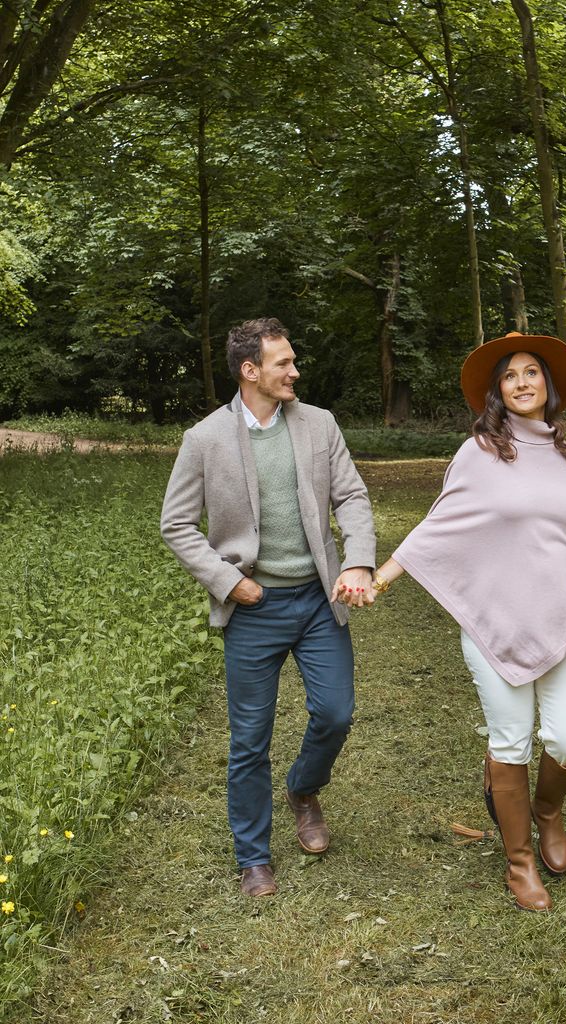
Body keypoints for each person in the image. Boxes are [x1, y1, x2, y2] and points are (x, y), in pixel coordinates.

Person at [370, 332, 566, 912]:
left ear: (548, 385)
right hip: (497, 621)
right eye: (509, 376)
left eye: (531, 372)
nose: (521, 382)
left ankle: (547, 810)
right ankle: (520, 862)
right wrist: (382, 576)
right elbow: (438, 525)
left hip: (561, 617)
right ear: (498, 392)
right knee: (510, 741)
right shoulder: (480, 451)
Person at [161, 317, 376, 898]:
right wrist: (227, 582)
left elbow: (351, 495)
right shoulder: (204, 439)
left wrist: (358, 560)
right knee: (249, 739)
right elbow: (176, 524)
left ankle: (304, 789)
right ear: (249, 370)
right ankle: (253, 856)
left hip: (316, 601)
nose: (294, 370)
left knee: (336, 713)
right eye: (283, 362)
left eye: (292, 359)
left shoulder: (319, 425)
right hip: (253, 609)